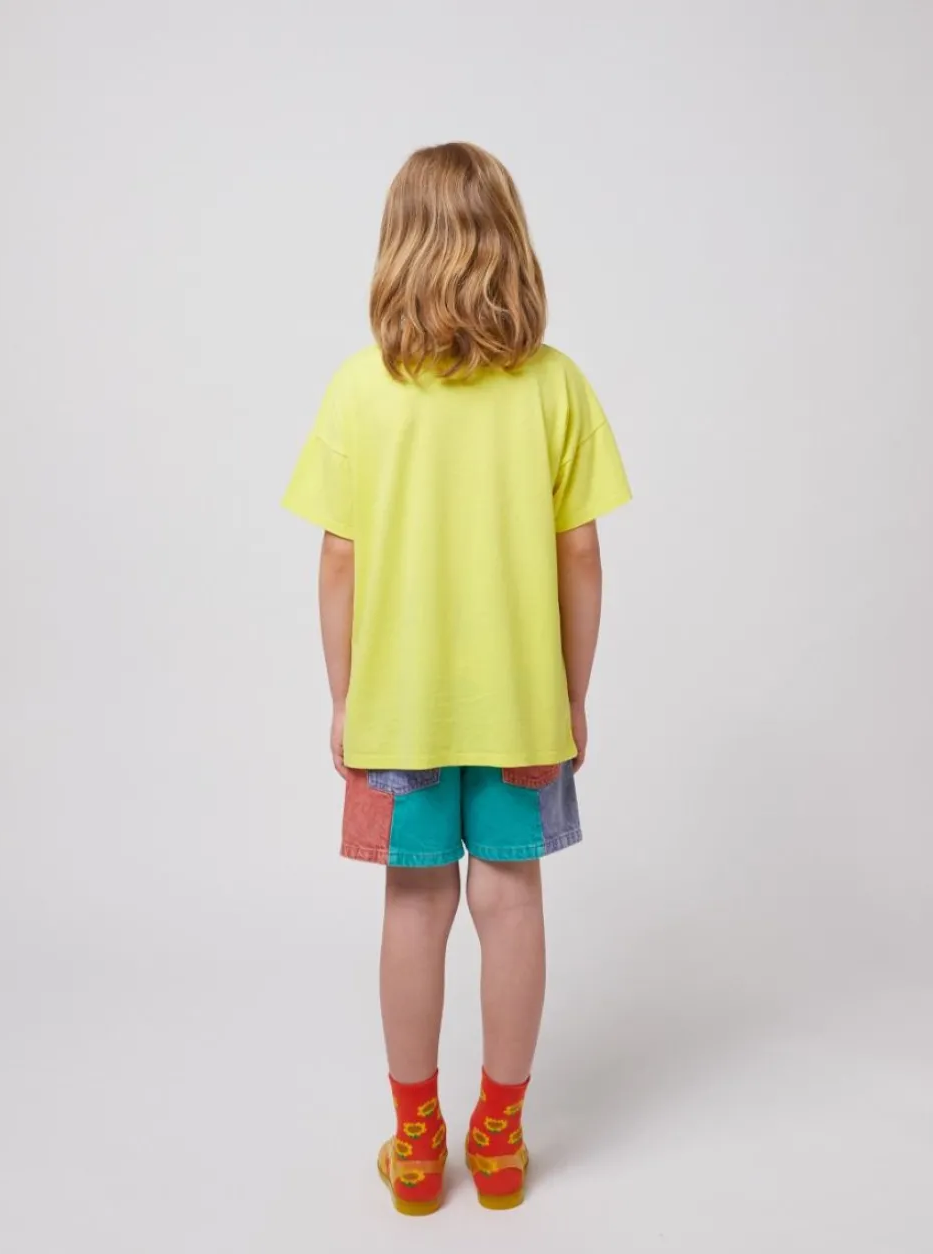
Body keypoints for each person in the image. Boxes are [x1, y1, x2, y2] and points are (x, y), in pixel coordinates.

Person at [283, 142, 631, 1215]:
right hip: (522, 704)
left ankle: (416, 1140)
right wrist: (571, 692)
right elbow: (581, 553)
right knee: (511, 898)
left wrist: (345, 697)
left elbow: (337, 559)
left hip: (399, 710)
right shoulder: (555, 385)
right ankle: (501, 1138)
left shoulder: (360, 388)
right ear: (509, 243)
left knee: (414, 899)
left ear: (399, 246)